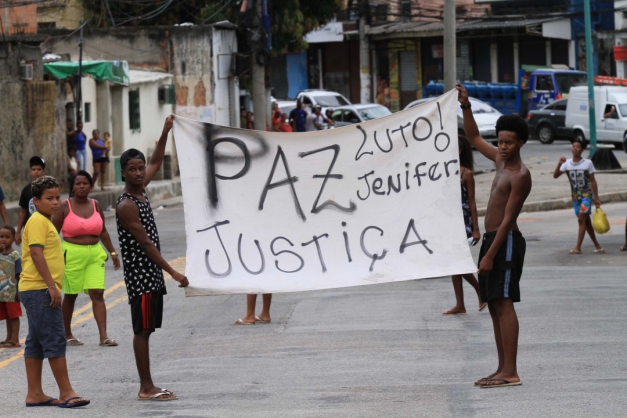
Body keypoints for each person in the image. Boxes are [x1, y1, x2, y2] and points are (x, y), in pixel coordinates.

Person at [456, 84, 531, 389]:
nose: (502, 147)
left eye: (509, 143)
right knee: (493, 306)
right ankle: (501, 367)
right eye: (500, 142)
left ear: (521, 143)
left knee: (504, 303)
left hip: (506, 240)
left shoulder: (520, 176)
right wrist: (465, 106)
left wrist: (488, 255)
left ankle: (511, 371)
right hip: (491, 240)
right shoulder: (499, 162)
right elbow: (473, 137)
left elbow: (508, 220)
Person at [116, 115, 188, 401]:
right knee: (142, 330)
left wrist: (165, 130)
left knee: (147, 328)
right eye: (131, 169)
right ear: (122, 173)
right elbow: (145, 243)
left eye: (140, 168)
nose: (137, 172)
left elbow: (157, 160)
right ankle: (146, 387)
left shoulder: (142, 190)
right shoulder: (126, 205)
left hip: (151, 275)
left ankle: (149, 384)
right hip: (141, 276)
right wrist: (174, 272)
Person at [19, 175, 90, 408]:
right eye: (49, 198)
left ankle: (35, 393)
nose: (55, 202)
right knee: (55, 338)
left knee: (36, 342)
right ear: (36, 201)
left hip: (35, 289)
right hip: (39, 288)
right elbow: (37, 254)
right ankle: (66, 391)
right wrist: (51, 285)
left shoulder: (44, 220)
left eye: (57, 197)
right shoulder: (38, 220)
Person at [51, 170, 120, 347]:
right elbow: (52, 233)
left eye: (85, 183)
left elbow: (103, 231)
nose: (82, 186)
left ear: (90, 185)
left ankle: (103, 336)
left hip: (95, 253)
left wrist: (112, 252)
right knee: (71, 294)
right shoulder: (64, 206)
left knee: (97, 293)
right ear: (72, 187)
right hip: (71, 254)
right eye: (78, 183)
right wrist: (51, 259)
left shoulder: (96, 205)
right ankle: (67, 334)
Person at [442, 137, 487, 316]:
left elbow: (472, 202)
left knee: (456, 264)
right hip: (447, 222)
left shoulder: (466, 174)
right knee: (454, 263)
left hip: (461, 223)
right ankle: (460, 304)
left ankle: (480, 293)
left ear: (460, 151)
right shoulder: (442, 172)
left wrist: (476, 229)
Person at [553, 141, 604, 254]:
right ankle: (597, 245)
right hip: (576, 196)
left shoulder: (587, 163)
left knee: (581, 218)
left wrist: (596, 198)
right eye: (573, 147)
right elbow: (555, 175)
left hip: (586, 194)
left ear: (582, 150)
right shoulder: (567, 163)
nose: (575, 149)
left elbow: (593, 180)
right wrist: (559, 163)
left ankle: (578, 247)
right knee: (586, 221)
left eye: (578, 147)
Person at [0, 225, 22, 348]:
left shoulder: (15, 255)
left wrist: (19, 290)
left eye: (7, 237)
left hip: (12, 291)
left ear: (13, 239)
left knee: (14, 315)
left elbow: (19, 273)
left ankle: (15, 339)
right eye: (1, 236)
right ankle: (8, 337)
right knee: (7, 315)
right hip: (2, 292)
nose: (4, 239)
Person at [16, 156, 46, 246]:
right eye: (33, 169)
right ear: (30, 171)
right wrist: (18, 232)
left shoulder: (49, 188)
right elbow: (23, 211)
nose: (36, 172)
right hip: (29, 229)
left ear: (43, 171)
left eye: (39, 169)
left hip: (44, 228)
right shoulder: (26, 190)